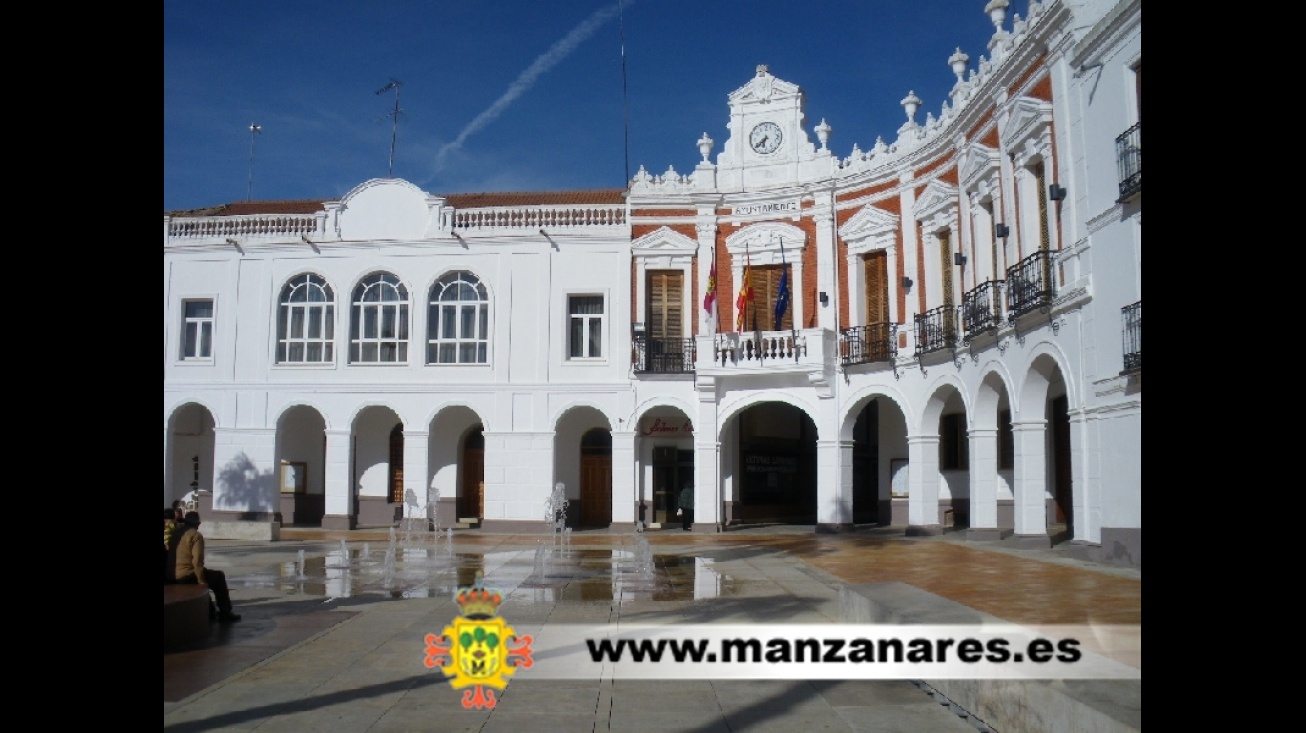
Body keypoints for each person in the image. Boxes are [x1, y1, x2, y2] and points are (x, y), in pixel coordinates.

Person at [168, 511, 241, 622]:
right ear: (197, 523)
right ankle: (225, 612)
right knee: (218, 577)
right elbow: (197, 562)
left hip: (171, 575)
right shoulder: (196, 535)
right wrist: (201, 581)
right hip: (186, 575)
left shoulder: (176, 533)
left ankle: (210, 611)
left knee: (208, 577)